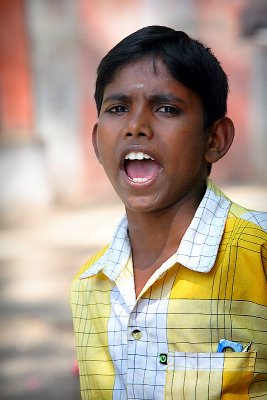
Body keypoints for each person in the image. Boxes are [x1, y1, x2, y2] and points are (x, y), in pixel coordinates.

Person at [70, 26, 267, 399]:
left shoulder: (259, 254)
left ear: (215, 140)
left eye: (166, 109)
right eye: (118, 108)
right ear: (97, 141)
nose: (136, 127)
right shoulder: (89, 287)